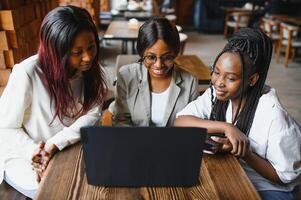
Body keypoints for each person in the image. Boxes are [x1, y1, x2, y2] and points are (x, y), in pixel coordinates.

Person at [174, 28, 301, 200]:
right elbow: (181, 121)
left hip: (271, 188)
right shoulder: (216, 94)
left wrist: (246, 154)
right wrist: (226, 127)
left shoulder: (274, 117)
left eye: (231, 78)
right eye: (216, 72)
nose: (219, 83)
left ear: (252, 79)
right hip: (236, 173)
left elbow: (283, 177)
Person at [0, 6, 107, 198]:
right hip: (27, 158)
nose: (88, 57)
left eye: (91, 46)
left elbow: (94, 113)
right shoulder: (27, 73)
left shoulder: (91, 70)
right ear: (57, 51)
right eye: (77, 51)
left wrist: (54, 144)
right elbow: (5, 127)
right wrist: (35, 151)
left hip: (66, 150)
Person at [112, 17, 198, 127]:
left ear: (176, 53)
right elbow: (121, 121)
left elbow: (192, 126)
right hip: (134, 142)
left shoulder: (190, 82)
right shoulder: (126, 76)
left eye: (167, 57)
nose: (158, 65)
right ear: (141, 53)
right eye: (151, 57)